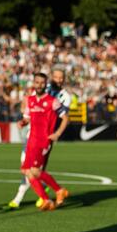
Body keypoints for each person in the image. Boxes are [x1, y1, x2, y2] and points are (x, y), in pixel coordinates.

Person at [8, 68, 71, 209]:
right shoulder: (31, 100)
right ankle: (46, 199)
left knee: (35, 171)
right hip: (31, 139)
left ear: (45, 84)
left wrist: (57, 133)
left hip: (43, 140)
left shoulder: (53, 101)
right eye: (37, 82)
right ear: (34, 84)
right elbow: (27, 118)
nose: (39, 85)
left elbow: (65, 117)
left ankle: (59, 190)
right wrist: (22, 122)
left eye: (42, 83)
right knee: (26, 170)